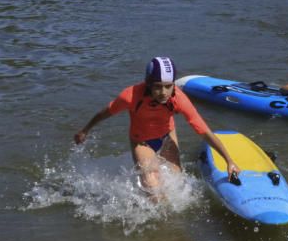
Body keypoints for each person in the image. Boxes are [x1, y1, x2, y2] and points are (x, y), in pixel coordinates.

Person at [73, 57, 240, 195]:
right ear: (148, 84)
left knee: (177, 183)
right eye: (158, 87)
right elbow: (105, 113)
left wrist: (229, 160)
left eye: (168, 86)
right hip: (141, 141)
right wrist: (85, 130)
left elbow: (204, 131)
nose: (164, 92)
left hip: (167, 136)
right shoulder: (130, 96)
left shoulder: (179, 99)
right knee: (153, 188)